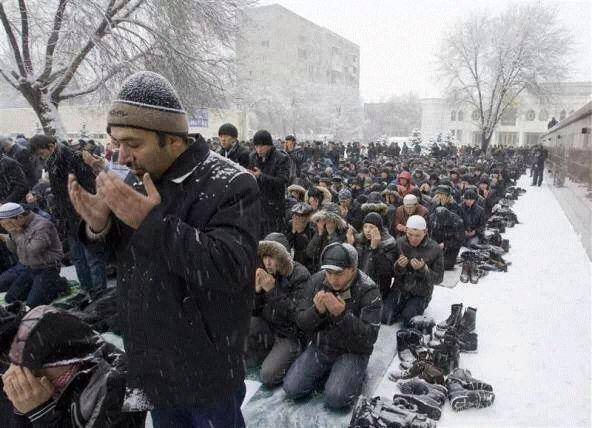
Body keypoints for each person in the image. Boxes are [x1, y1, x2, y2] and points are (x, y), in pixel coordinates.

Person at [67, 71, 260, 426]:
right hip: (149, 361)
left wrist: (150, 223)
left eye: (133, 144)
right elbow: (124, 259)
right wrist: (100, 227)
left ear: (172, 140)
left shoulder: (231, 183)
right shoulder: (135, 179)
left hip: (207, 368)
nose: (122, 157)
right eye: (116, 143)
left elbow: (231, 267)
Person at [2, 305, 146, 427]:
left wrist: (42, 413)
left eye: (37, 367)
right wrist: (20, 408)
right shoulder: (59, 375)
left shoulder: (127, 383)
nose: (28, 374)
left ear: (67, 361)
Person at [283, 242, 382, 409]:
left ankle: (353, 372)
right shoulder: (316, 281)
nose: (333, 279)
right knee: (291, 389)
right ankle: (331, 374)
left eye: (339, 273)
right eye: (329, 272)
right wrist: (317, 312)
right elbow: (301, 322)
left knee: (336, 399)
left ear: (352, 268)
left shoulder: (369, 290)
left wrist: (342, 316)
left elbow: (369, 338)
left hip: (353, 352)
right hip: (322, 347)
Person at [29, 134, 107, 296]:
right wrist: (38, 192)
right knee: (78, 257)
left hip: (83, 213)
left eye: (42, 153)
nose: (42, 157)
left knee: (92, 256)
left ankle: (99, 292)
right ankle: (86, 289)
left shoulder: (73, 157)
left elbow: (88, 186)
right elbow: (54, 185)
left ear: (51, 146)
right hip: (68, 215)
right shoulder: (52, 161)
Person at [247, 233, 310, 387]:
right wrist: (256, 293)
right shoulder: (263, 271)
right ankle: (268, 351)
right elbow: (254, 312)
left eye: (272, 257)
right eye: (265, 256)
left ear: (283, 258)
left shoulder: (300, 275)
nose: (267, 262)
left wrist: (272, 291)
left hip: (290, 334)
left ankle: (293, 354)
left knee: (268, 376)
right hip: (270, 327)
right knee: (245, 325)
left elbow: (298, 317)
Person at [382, 215, 444, 325]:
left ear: (425, 232)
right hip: (399, 289)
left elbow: (439, 279)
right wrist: (399, 266)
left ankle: (409, 309)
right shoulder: (400, 242)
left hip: (420, 293)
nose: (413, 239)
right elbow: (390, 271)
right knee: (385, 317)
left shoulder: (435, 249)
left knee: (408, 321)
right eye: (410, 234)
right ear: (405, 230)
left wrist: (423, 269)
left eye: (417, 235)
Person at [0, 203, 65, 307]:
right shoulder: (16, 226)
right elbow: (14, 250)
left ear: (20, 217)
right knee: (11, 298)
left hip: (48, 267)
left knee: (33, 304)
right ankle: (44, 287)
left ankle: (58, 284)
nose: (7, 227)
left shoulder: (42, 224)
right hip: (30, 268)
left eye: (8, 224)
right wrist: (10, 237)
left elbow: (34, 250)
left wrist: (17, 234)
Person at [249, 130, 290, 238]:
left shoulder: (281, 158)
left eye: (262, 146)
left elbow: (283, 180)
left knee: (271, 241)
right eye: (256, 146)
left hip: (274, 208)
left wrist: (261, 176)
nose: (259, 150)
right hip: (256, 208)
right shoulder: (252, 157)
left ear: (269, 145)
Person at [350, 212, 397, 299]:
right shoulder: (359, 241)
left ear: (379, 229)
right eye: (365, 227)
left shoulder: (388, 244)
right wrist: (350, 245)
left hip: (377, 289)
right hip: (358, 287)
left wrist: (375, 248)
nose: (367, 230)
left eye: (371, 227)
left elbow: (387, 271)